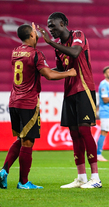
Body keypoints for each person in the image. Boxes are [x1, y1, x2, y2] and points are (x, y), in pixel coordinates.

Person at [0, 23, 76, 189]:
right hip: (28, 102)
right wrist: (68, 73)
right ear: (32, 35)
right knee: (28, 142)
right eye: (35, 32)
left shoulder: (15, 52)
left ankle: (3, 171)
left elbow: (33, 70)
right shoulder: (36, 53)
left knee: (20, 139)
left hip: (13, 101)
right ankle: (24, 182)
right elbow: (48, 74)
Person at [44, 12, 101, 189]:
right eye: (49, 26)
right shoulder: (58, 47)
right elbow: (61, 68)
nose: (50, 29)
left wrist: (50, 42)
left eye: (53, 25)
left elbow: (76, 53)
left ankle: (96, 178)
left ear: (64, 23)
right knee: (74, 135)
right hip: (69, 92)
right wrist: (42, 70)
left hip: (84, 89)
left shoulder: (78, 35)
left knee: (85, 132)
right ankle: (81, 177)